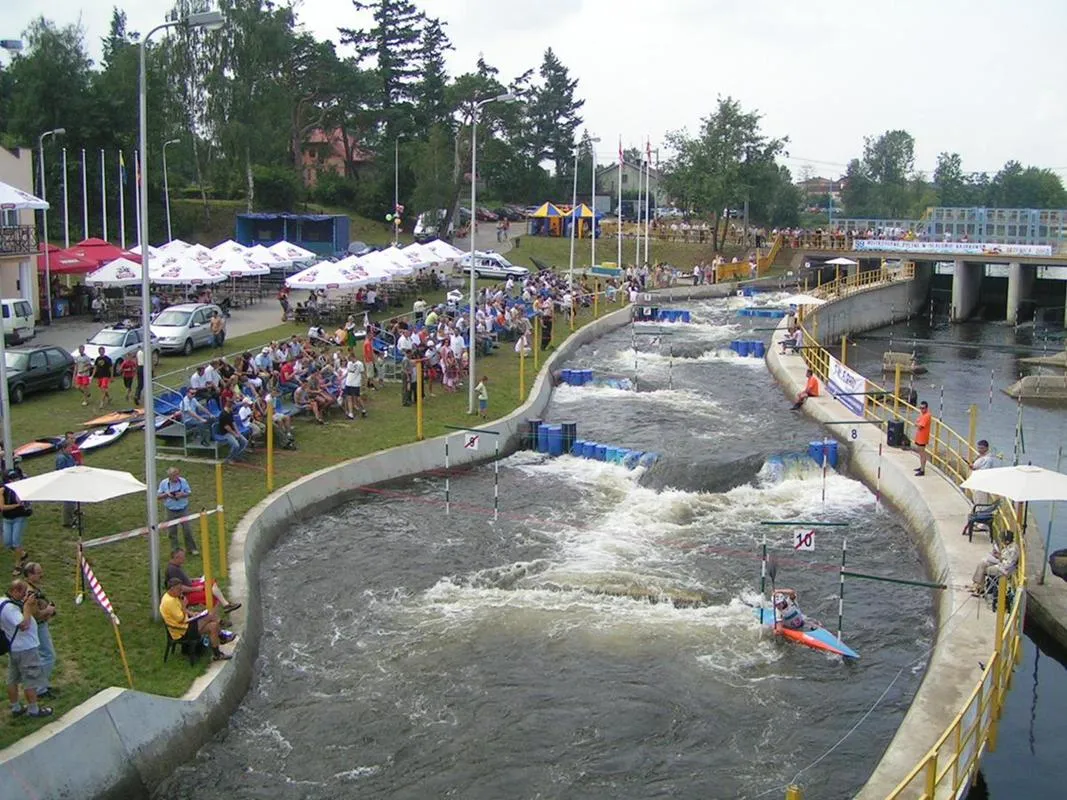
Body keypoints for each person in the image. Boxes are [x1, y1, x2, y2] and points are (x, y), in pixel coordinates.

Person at [1, 580, 52, 716]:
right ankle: (34, 710)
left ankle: (15, 707)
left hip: (15, 648)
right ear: (15, 592)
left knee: (12, 679)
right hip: (25, 649)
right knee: (30, 680)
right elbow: (24, 625)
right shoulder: (10, 609)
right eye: (23, 593)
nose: (25, 596)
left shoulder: (3, 602)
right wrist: (28, 606)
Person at [159, 578, 231, 662]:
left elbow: (183, 611)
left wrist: (192, 614)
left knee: (214, 626)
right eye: (179, 589)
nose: (181, 591)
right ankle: (222, 634)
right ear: (172, 589)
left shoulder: (174, 596)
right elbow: (180, 619)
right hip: (183, 631)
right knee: (210, 615)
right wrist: (184, 606)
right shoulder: (169, 602)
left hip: (187, 624)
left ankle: (217, 654)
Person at [165, 549, 241, 613]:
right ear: (176, 557)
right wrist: (196, 589)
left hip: (190, 586)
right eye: (183, 557)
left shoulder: (175, 567)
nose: (185, 558)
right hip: (186, 595)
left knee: (210, 581)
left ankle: (225, 604)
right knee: (211, 595)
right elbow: (179, 588)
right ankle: (218, 618)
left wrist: (194, 579)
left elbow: (182, 580)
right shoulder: (173, 570)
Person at [20, 563, 56, 699]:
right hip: (38, 626)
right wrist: (48, 610)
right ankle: (40, 688)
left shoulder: (27, 587)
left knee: (42, 656)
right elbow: (35, 614)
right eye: (38, 573)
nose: (42, 575)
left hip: (38, 626)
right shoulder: (30, 592)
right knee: (48, 656)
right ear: (30, 575)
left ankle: (41, 685)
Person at [158, 467, 199, 554]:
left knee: (187, 530)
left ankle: (191, 548)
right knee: (172, 532)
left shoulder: (183, 481)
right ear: (169, 477)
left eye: (177, 475)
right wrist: (167, 495)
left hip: (183, 509)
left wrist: (182, 494)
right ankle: (175, 550)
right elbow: (158, 496)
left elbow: (189, 493)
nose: (176, 478)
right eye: (174, 476)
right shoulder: (164, 483)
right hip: (170, 510)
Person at [1, 469, 32, 574]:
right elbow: (2, 507)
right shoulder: (3, 490)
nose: (13, 481)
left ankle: (18, 564)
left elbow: (26, 502)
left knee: (16, 542)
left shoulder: (21, 489)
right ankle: (23, 554)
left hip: (19, 517)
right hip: (7, 519)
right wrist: (17, 505)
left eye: (15, 478)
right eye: (11, 479)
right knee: (7, 543)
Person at [970, 531, 1019, 596]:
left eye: (1003, 540)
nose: (1002, 541)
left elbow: (1008, 565)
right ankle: (977, 586)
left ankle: (979, 589)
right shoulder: (1009, 546)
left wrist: (1000, 558)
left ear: (1007, 541)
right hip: (999, 563)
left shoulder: (1013, 550)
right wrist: (997, 555)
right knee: (982, 563)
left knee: (984, 569)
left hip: (1003, 569)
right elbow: (1004, 556)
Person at [217, 398, 248, 463]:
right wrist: (235, 434)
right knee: (236, 445)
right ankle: (228, 459)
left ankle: (237, 456)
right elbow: (227, 427)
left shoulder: (230, 412)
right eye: (233, 407)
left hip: (232, 431)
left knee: (245, 442)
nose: (234, 408)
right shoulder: (223, 414)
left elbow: (233, 422)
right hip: (225, 433)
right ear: (229, 406)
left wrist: (238, 432)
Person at [55, 441, 78, 529]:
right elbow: (61, 471)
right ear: (64, 448)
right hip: (66, 482)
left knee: (72, 502)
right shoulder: (61, 458)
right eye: (69, 448)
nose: (71, 449)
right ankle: (67, 522)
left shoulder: (69, 456)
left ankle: (72, 517)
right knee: (69, 502)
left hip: (72, 481)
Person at [969, 439, 996, 504]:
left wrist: (974, 468)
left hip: (982, 483)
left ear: (986, 448)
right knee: (976, 499)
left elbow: (984, 471)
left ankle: (979, 512)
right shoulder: (980, 457)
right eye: (978, 448)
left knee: (980, 501)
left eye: (982, 448)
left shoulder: (988, 459)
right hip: (976, 482)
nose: (979, 450)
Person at [913, 400, 932, 476]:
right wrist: (917, 423)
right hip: (919, 436)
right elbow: (918, 422)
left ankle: (922, 470)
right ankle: (921, 467)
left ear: (926, 408)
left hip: (923, 437)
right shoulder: (922, 415)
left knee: (922, 453)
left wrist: (916, 424)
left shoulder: (927, 416)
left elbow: (920, 426)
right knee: (920, 452)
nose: (921, 409)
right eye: (920, 408)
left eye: (923, 408)